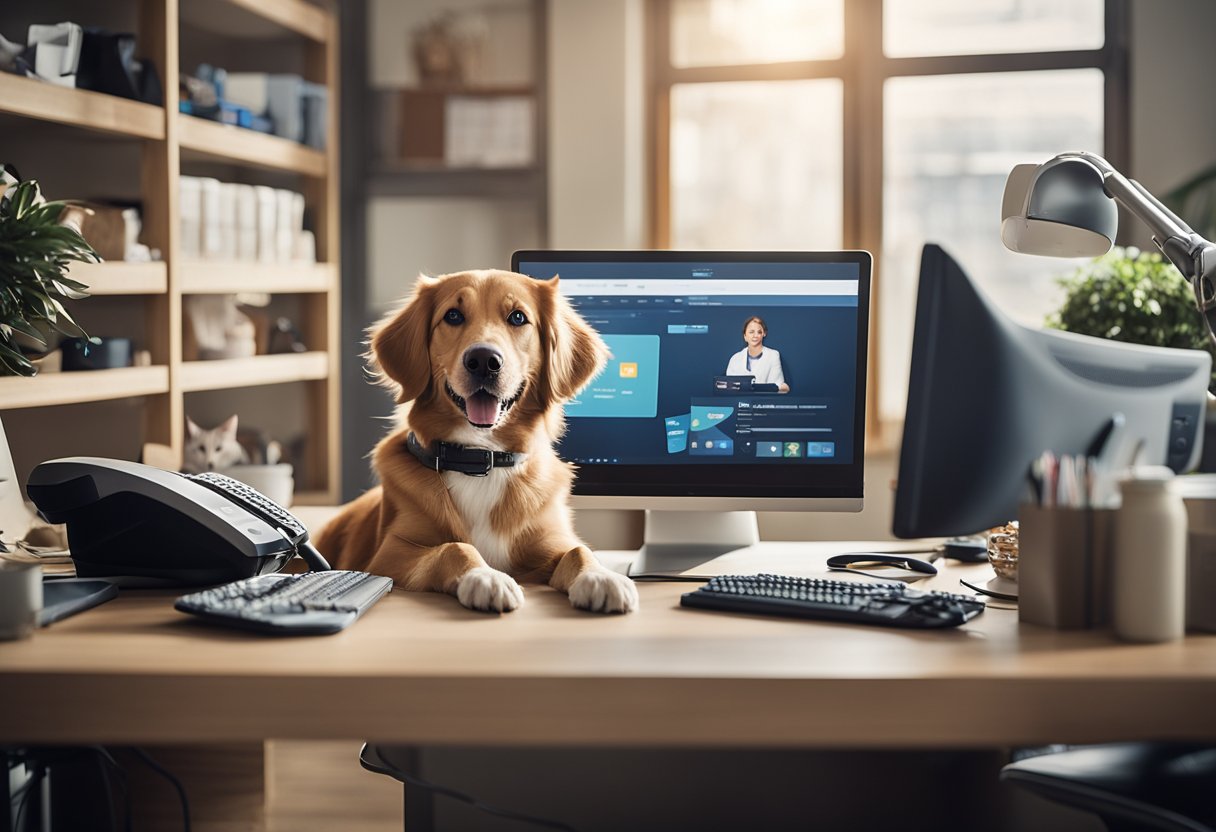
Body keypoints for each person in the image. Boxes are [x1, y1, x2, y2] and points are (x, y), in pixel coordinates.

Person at [724, 316, 788, 393]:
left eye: (759, 332)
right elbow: (731, 387)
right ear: (745, 336)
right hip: (739, 401)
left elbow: (777, 386)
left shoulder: (773, 355)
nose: (755, 336)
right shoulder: (735, 358)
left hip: (764, 402)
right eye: (751, 332)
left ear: (764, 334)